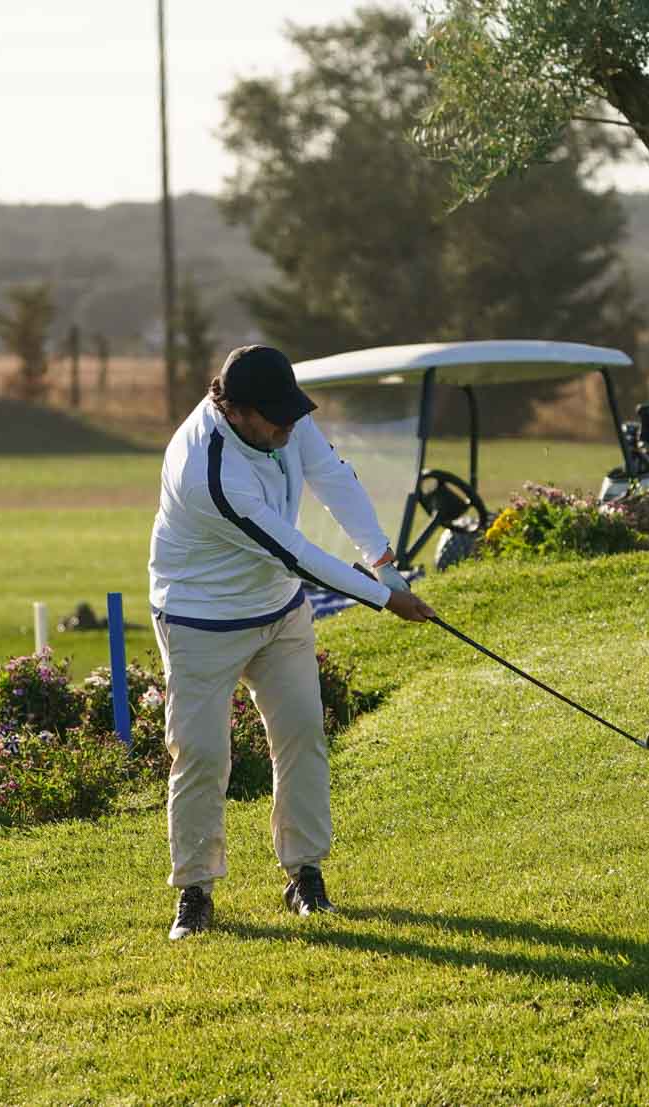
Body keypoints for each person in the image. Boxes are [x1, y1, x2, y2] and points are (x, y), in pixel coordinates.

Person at [148, 344, 436, 940]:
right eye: (275, 418)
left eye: (291, 413)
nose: (288, 426)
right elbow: (296, 554)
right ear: (238, 411)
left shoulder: (285, 420)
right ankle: (195, 893)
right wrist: (387, 600)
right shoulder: (210, 472)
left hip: (279, 613)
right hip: (201, 621)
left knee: (303, 734)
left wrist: (382, 558)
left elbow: (333, 475)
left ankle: (304, 874)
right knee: (202, 754)